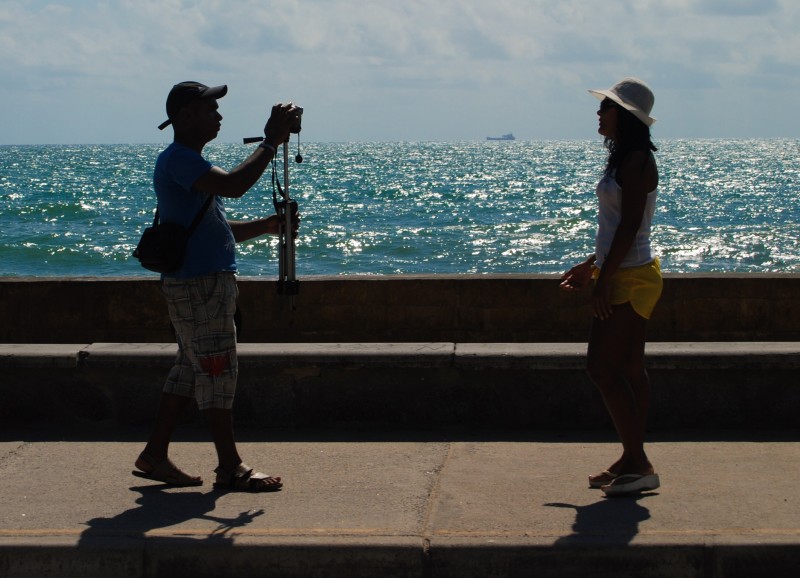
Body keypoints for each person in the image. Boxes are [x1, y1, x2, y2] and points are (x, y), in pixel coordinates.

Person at [132, 81, 300, 492]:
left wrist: (267, 226)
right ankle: (230, 466)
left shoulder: (192, 163)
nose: (219, 116)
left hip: (201, 282)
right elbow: (235, 185)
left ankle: (154, 454)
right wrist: (271, 142)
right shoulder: (179, 159)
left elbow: (218, 229)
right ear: (186, 116)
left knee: (191, 370)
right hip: (199, 284)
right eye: (211, 110)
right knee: (217, 370)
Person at [559, 77, 662, 496]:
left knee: (600, 367)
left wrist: (605, 280)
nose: (599, 113)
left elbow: (631, 225)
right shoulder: (623, 159)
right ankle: (631, 459)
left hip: (631, 277)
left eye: (606, 107)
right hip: (626, 270)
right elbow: (614, 227)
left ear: (625, 116)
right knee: (630, 369)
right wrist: (591, 266)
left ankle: (638, 462)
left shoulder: (636, 160)